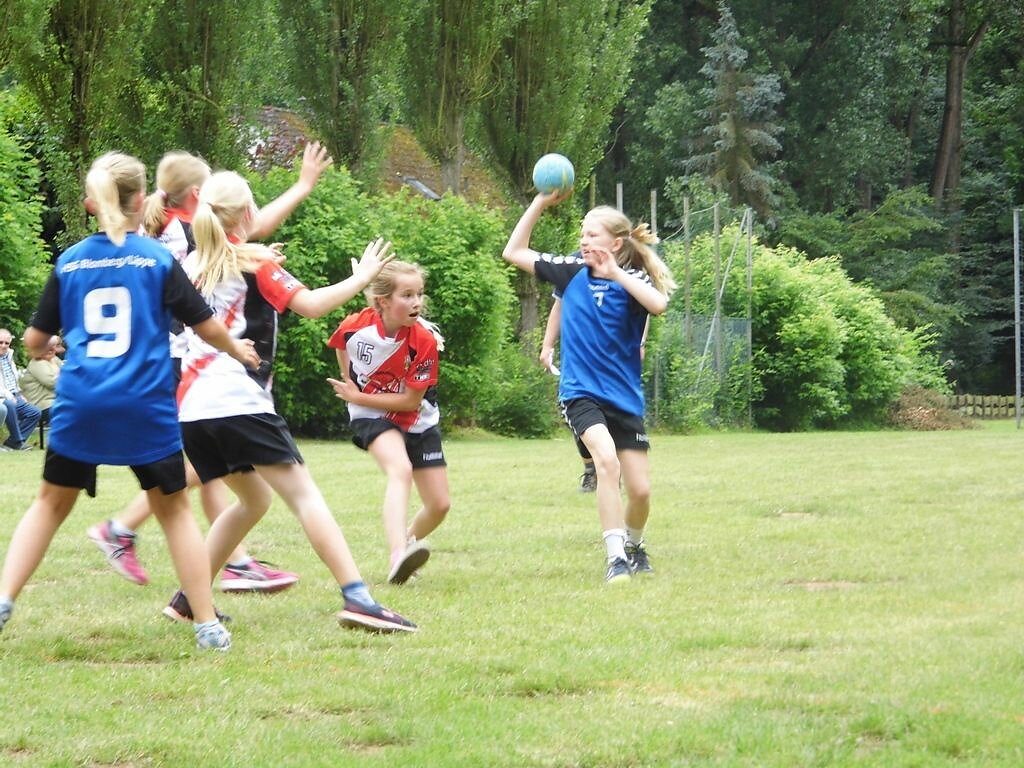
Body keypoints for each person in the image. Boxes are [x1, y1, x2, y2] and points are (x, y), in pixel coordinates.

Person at [0, 151, 261, 650]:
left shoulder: (71, 261)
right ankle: (206, 624)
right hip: (144, 403)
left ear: (90, 205)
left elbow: (34, 341)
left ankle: (4, 600)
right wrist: (238, 349)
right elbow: (205, 323)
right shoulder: (158, 259)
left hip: (81, 403)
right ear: (143, 201)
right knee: (175, 511)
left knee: (50, 505)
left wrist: (57, 343)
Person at [165, 169, 416, 633]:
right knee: (304, 496)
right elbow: (314, 305)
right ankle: (358, 597)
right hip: (238, 400)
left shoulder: (189, 266)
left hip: (194, 410)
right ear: (246, 213)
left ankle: (187, 599)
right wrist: (361, 277)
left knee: (253, 500)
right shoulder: (255, 264)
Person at [87, 143, 332, 592]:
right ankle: (124, 529)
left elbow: (239, 239)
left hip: (175, 351)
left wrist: (253, 254)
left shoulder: (167, 226)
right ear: (197, 195)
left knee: (215, 464)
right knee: (210, 459)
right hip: (189, 352)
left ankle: (229, 561)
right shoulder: (189, 231)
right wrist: (300, 188)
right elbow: (245, 231)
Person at [502, 192, 675, 583]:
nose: (584, 240)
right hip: (580, 392)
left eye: (592, 234)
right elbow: (514, 252)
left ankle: (634, 543)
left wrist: (616, 274)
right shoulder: (570, 271)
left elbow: (658, 305)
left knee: (642, 491)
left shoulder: (634, 279)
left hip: (624, 397)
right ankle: (615, 557)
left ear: (615, 243)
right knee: (606, 462)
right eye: (582, 233)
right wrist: (539, 204)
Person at [326, 261, 450, 585]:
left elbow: (410, 401)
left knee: (439, 505)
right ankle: (398, 557)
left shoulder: (424, 340)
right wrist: (348, 378)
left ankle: (405, 543)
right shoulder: (356, 325)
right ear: (383, 301)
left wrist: (359, 395)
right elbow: (341, 343)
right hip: (372, 416)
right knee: (400, 470)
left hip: (417, 418)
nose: (416, 302)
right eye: (407, 295)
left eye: (419, 294)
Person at [539, 298, 597, 492]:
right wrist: (547, 345)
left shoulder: (625, 274)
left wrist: (639, 343)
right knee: (579, 418)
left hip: (612, 360)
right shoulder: (573, 273)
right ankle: (591, 470)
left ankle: (609, 468)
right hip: (578, 360)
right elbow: (559, 303)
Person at [0, 328, 42, 451]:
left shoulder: (8, 356)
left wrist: (19, 393)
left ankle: (11, 442)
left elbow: (12, 378)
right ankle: (18, 442)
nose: (3, 346)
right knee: (9, 405)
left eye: (6, 343)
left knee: (34, 412)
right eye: (0, 342)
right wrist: (9, 396)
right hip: (3, 397)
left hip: (14, 395)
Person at [20, 335, 61, 418]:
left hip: (56, 401)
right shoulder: (38, 362)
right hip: (41, 405)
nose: (52, 349)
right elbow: (53, 383)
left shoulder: (54, 359)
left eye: (54, 345)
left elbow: (70, 371)